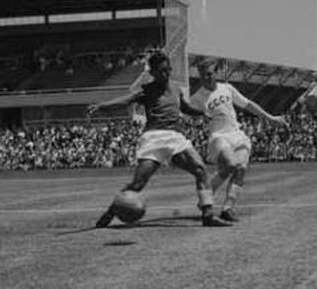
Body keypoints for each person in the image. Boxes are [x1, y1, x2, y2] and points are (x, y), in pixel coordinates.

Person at [86, 51, 232, 228]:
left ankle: (208, 215)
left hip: (175, 137)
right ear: (153, 73)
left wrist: (202, 112)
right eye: (162, 70)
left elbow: (185, 108)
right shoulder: (146, 90)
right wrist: (102, 105)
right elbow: (126, 100)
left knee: (200, 169)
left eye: (168, 69)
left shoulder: (176, 89)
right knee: (138, 183)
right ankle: (111, 211)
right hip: (153, 138)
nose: (166, 73)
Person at [189, 59, 289, 222]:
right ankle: (206, 199)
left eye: (209, 74)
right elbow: (184, 113)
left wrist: (270, 118)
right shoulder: (197, 98)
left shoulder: (227, 88)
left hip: (236, 134)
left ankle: (228, 208)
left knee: (241, 168)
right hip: (218, 136)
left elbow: (248, 104)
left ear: (216, 73)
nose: (206, 78)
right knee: (230, 164)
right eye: (202, 75)